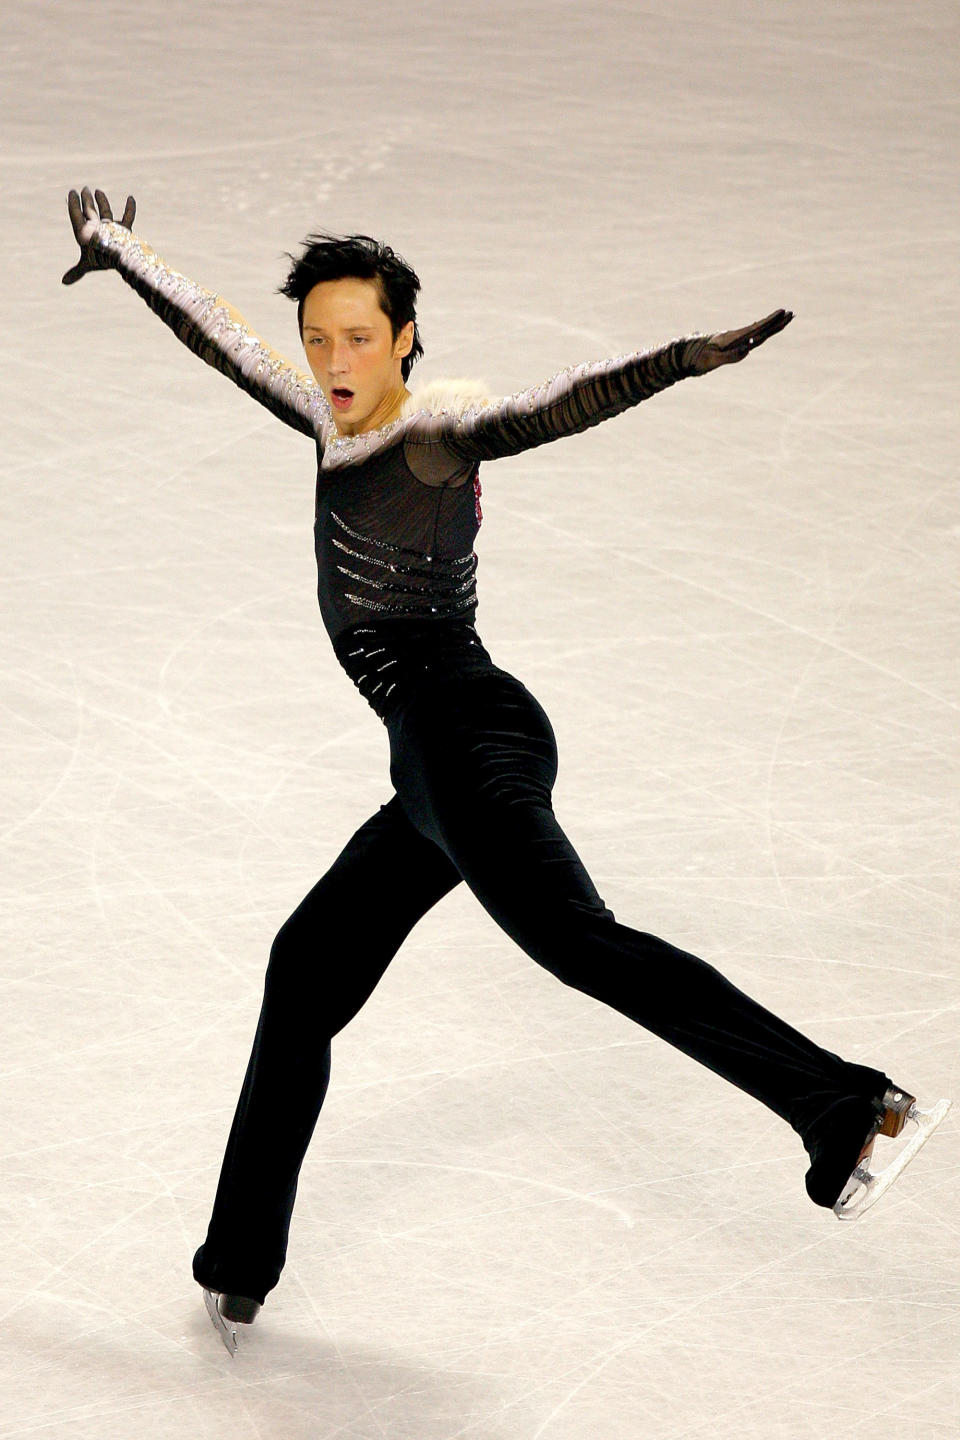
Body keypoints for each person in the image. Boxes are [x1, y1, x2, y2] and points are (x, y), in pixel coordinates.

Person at [63, 185, 949, 1355]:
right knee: (306, 973)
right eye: (320, 337)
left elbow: (554, 407)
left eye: (361, 338)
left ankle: (845, 1108)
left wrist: (681, 359)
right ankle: (238, 1262)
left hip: (469, 737)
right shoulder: (330, 419)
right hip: (433, 768)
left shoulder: (433, 437)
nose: (333, 359)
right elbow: (220, 334)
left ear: (407, 341)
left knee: (576, 941)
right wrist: (119, 249)